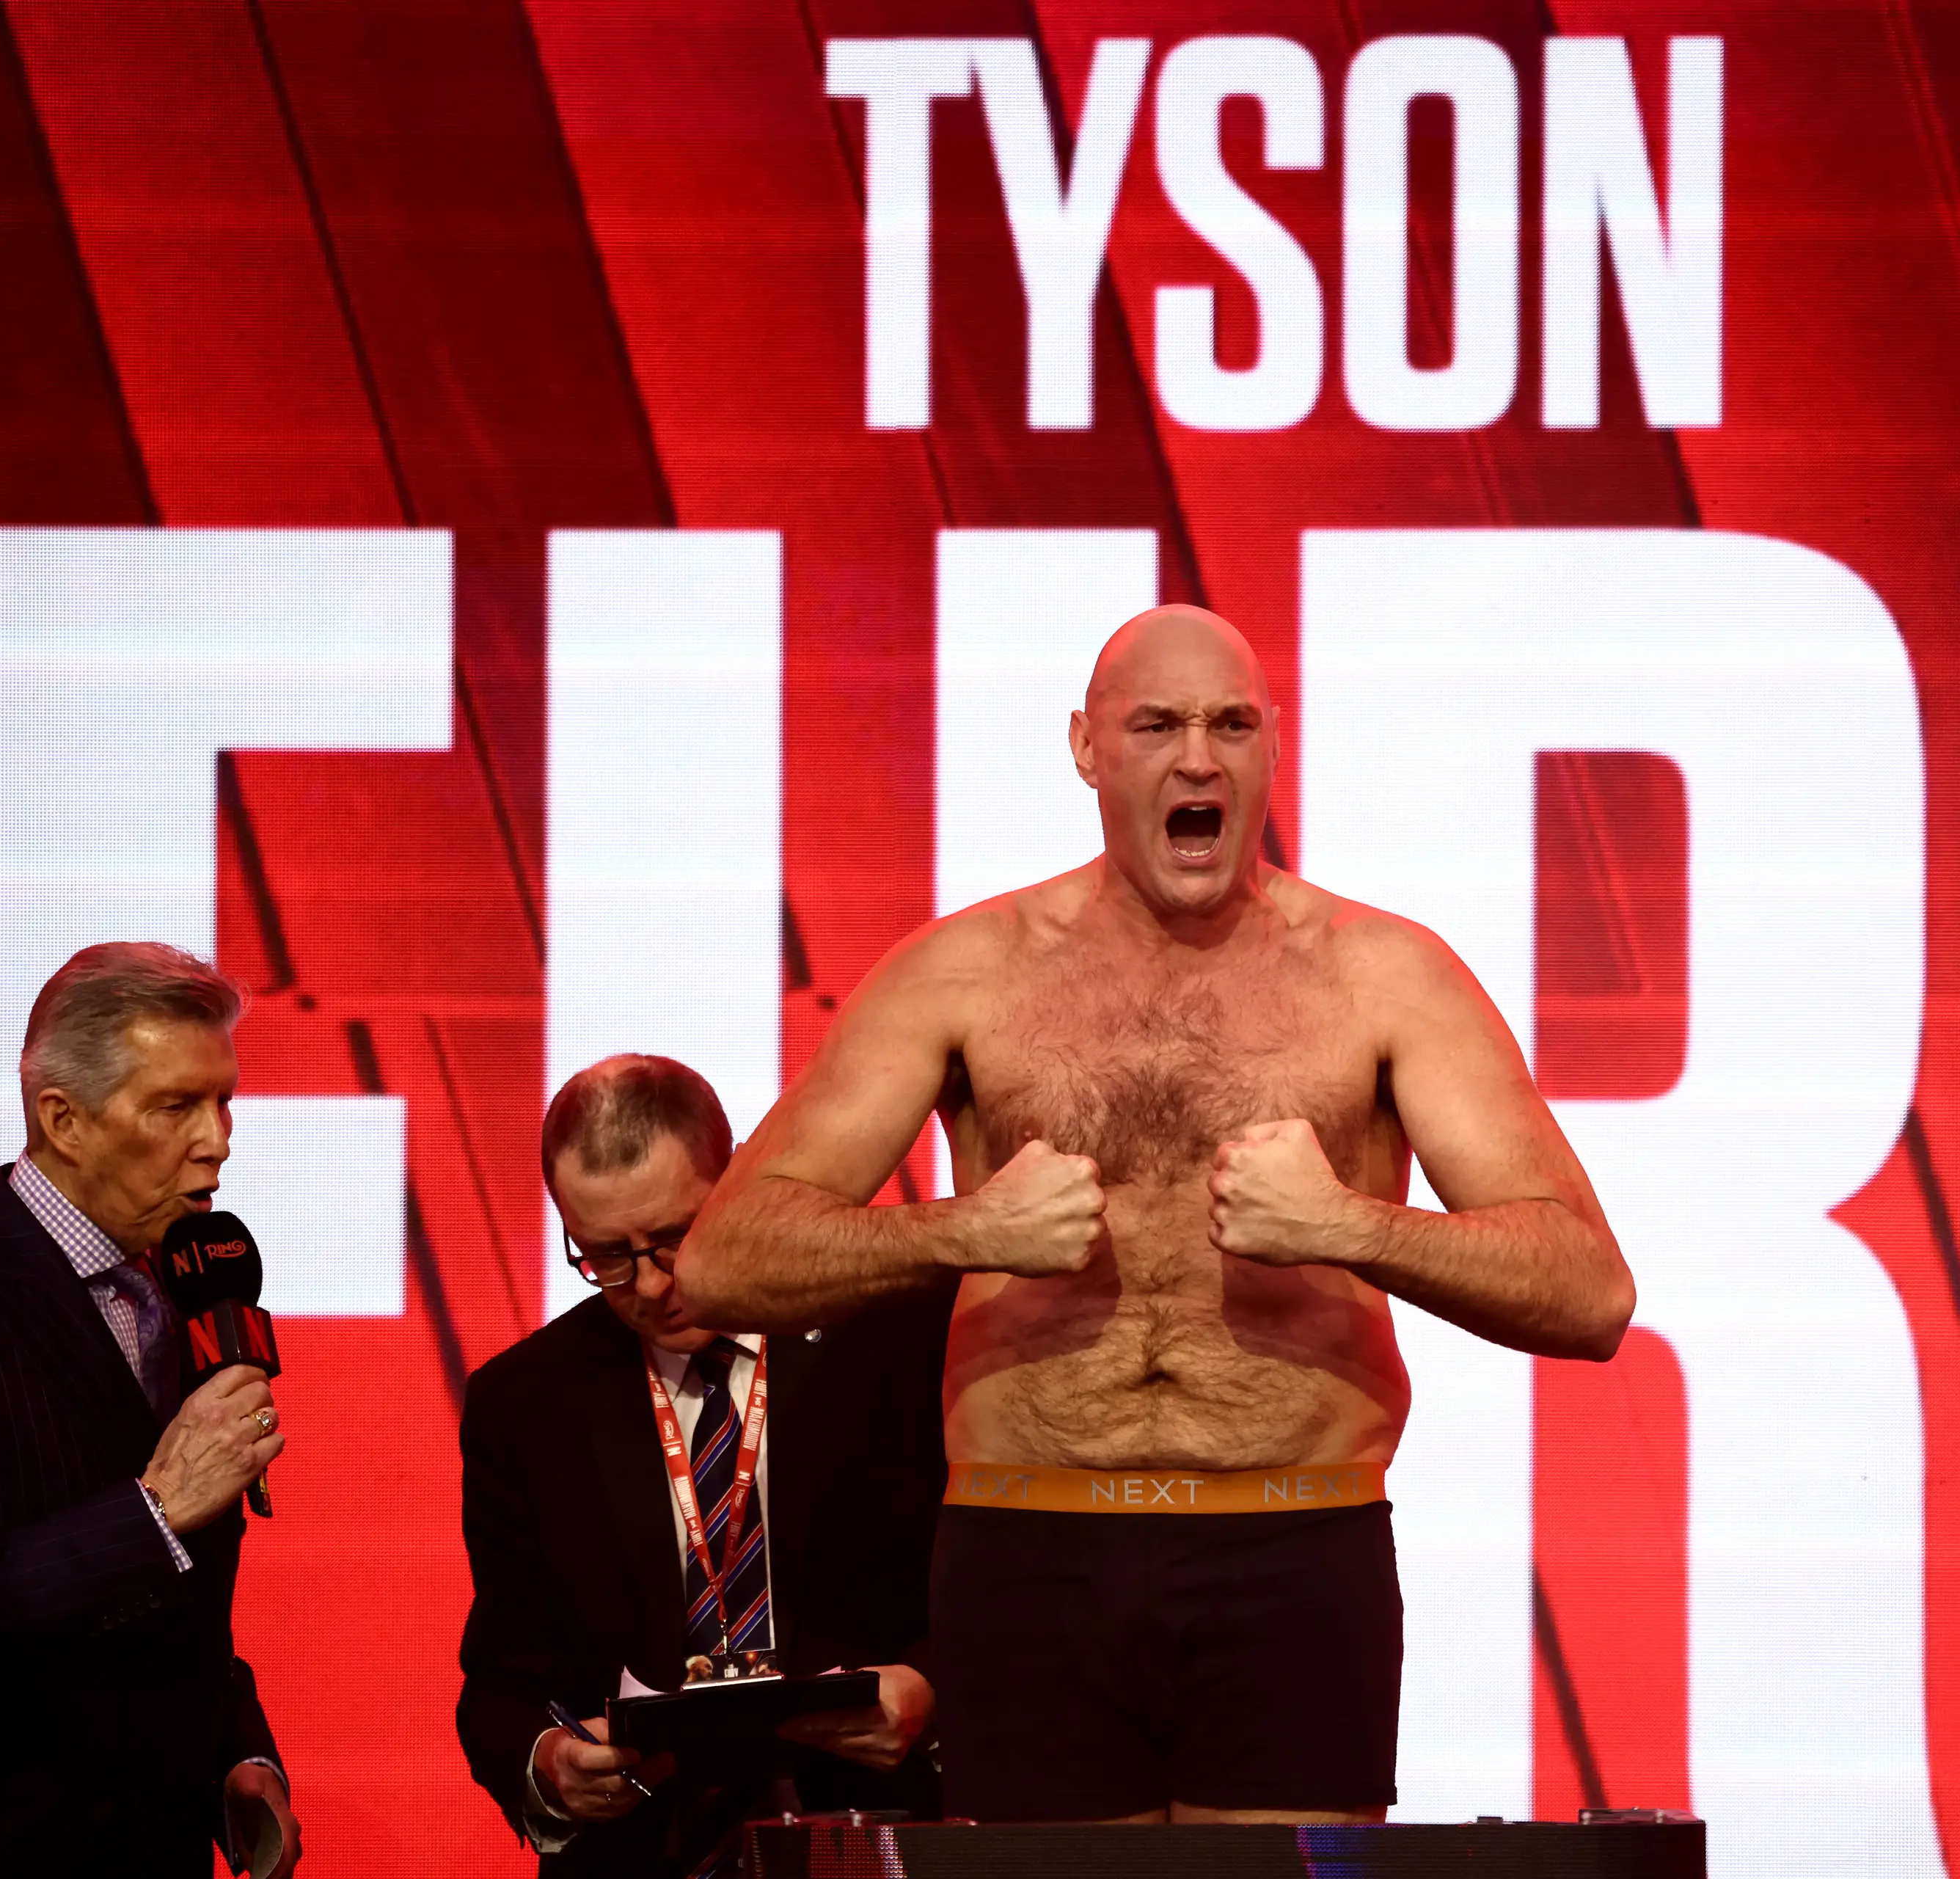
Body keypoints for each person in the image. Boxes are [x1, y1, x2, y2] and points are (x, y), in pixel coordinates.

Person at [674, 604, 1635, 1824]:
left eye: (1232, 724)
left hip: (1294, 1552)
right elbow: (724, 1260)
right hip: (1032, 1552)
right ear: (1086, 749)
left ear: (1272, 749)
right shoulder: (968, 972)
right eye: (1158, 724)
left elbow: (1589, 1289)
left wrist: (1348, 1226)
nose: (1199, 756)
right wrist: (966, 1230)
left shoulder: (1385, 976)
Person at [456, 1054, 952, 1875]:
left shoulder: (896, 1330)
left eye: (674, 1237)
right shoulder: (526, 1401)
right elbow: (502, 1683)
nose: (651, 1283)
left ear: (740, 1175)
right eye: (606, 1255)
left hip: (886, 1829)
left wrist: (931, 1694)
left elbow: (1016, 1597)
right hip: (649, 1846)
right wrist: (548, 1762)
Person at [0, 941, 298, 1877]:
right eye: (176, 1106)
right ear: (64, 1120)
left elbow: (180, 1606)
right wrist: (149, 1514)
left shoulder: (189, 1289)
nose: (218, 1138)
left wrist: (235, 1757)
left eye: (223, 1099)